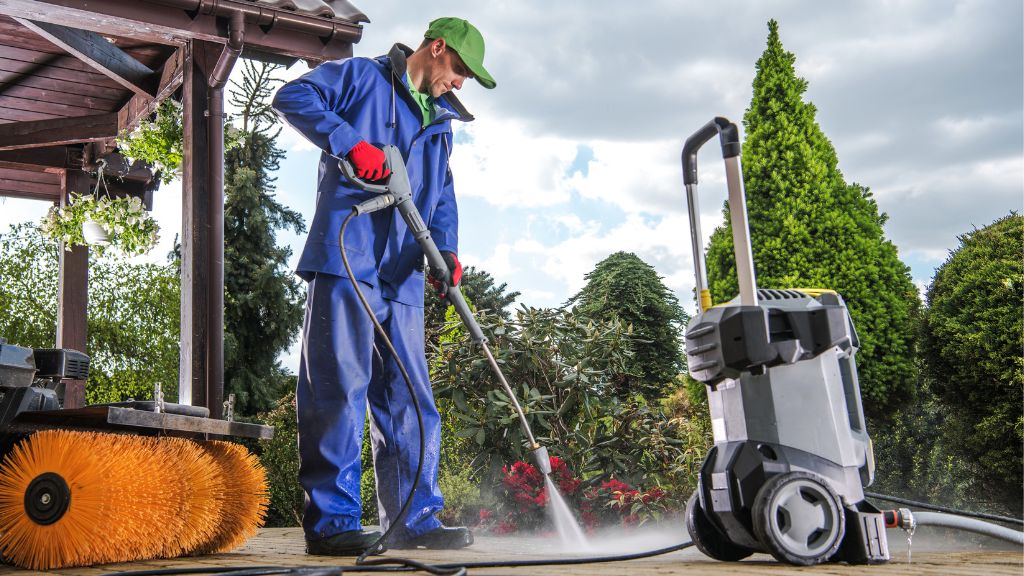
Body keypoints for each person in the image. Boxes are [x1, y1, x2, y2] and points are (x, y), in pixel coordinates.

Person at [272, 17, 496, 556]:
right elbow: (292, 96)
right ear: (436, 48)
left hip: (403, 271)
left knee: (410, 397)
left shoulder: (440, 122)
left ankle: (414, 520)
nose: (460, 82)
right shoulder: (360, 78)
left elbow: (441, 195)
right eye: (460, 69)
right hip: (348, 256)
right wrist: (351, 143)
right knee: (338, 389)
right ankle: (333, 525)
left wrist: (446, 250)